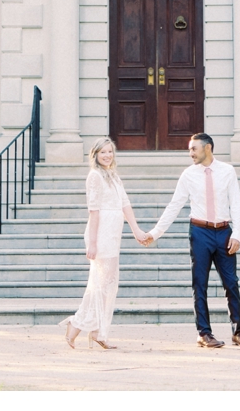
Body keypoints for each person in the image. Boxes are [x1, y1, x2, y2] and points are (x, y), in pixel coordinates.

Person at [143, 132, 240, 348]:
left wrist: (237, 234)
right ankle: (204, 333)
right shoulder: (188, 175)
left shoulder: (227, 171)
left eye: (194, 148)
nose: (190, 153)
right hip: (200, 232)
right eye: (189, 149)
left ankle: (238, 332)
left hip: (223, 233)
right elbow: (174, 205)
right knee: (199, 284)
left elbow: (236, 203)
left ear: (208, 148)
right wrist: (155, 233)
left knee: (231, 283)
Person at [59, 137, 150, 350]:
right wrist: (92, 243)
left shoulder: (113, 175)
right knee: (102, 285)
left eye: (110, 151)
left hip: (113, 234)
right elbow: (94, 211)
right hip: (100, 235)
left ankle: (96, 330)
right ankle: (82, 326)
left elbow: (125, 204)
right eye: (103, 152)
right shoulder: (95, 176)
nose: (107, 155)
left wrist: (136, 230)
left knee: (107, 285)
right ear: (96, 155)